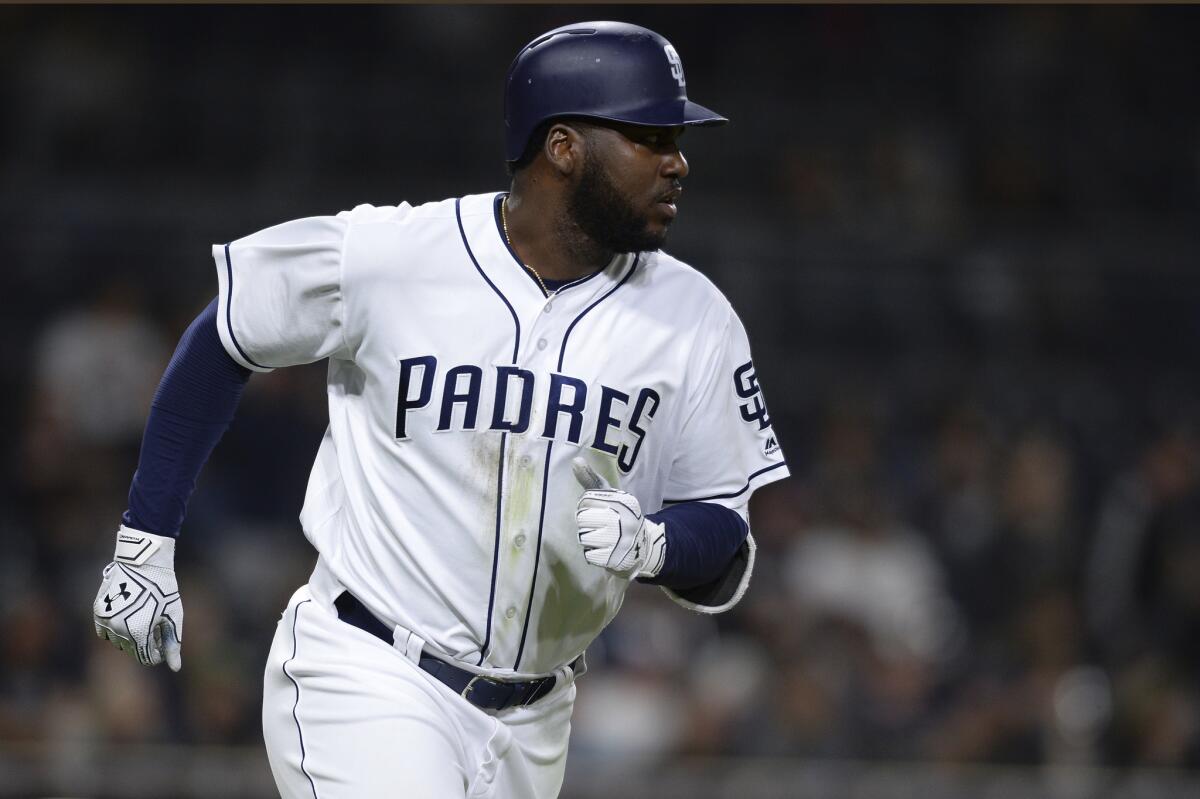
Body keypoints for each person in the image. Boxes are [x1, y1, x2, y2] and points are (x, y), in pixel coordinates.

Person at [92, 20, 788, 798]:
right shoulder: (396, 255)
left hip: (535, 719)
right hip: (368, 671)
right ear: (563, 147)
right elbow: (228, 331)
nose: (677, 162)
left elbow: (726, 545)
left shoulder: (695, 317)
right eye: (651, 137)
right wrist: (144, 539)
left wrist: (656, 543)